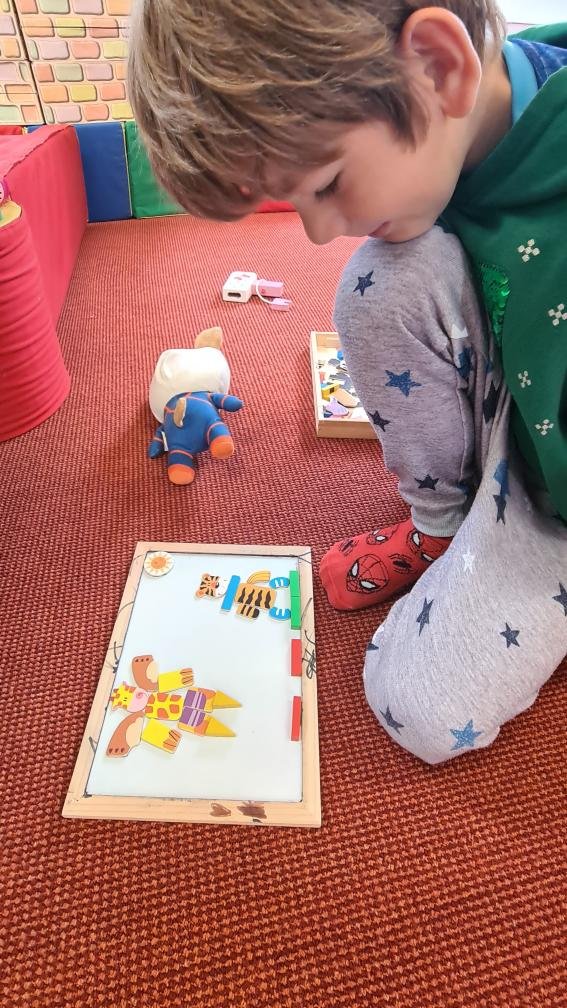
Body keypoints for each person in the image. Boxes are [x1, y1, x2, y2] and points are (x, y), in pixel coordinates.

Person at [128, 1, 567, 763]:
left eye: (328, 184)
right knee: (383, 281)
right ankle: (440, 528)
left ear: (437, 65)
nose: (318, 232)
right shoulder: (454, 122)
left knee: (420, 708)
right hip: (522, 416)